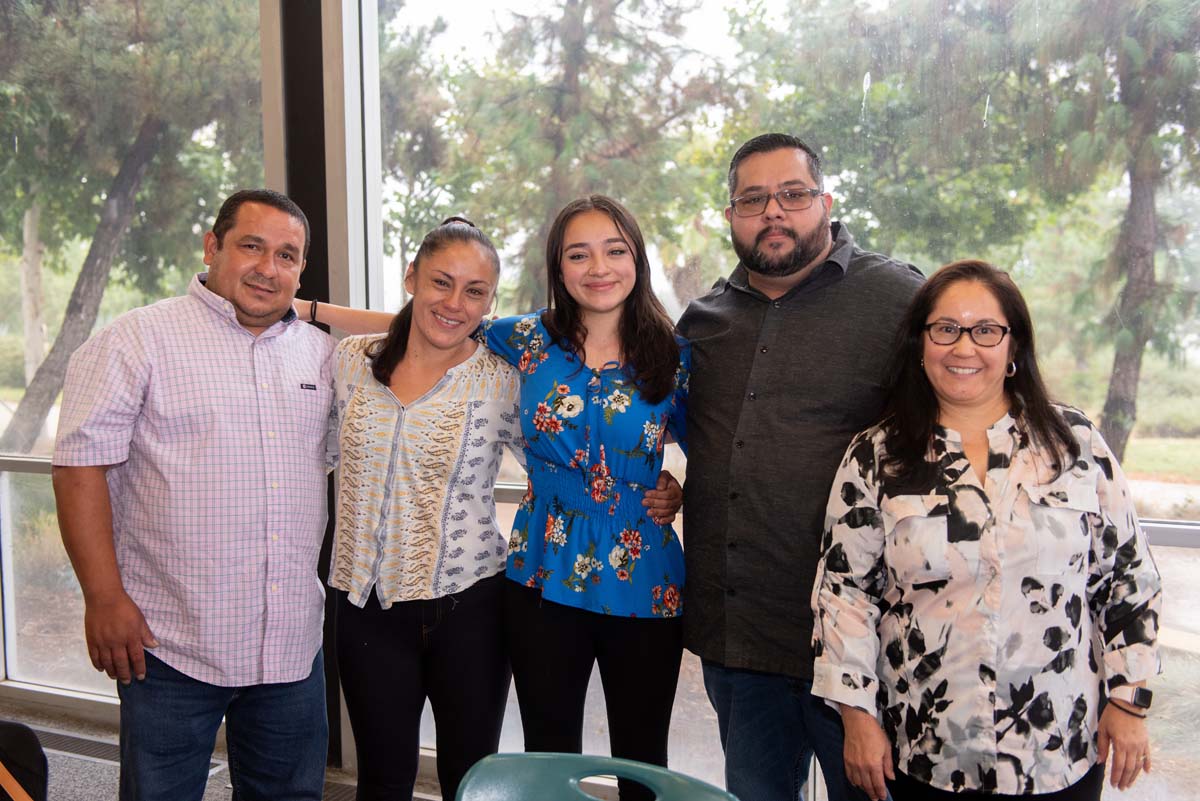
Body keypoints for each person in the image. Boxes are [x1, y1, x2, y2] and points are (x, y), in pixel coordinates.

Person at [302, 197, 685, 801]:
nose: (598, 266)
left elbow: (719, 447)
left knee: (642, 760)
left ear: (637, 257)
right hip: (539, 574)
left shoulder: (674, 355)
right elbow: (433, 322)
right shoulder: (529, 344)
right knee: (546, 757)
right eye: (577, 253)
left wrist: (677, 485)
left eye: (615, 250)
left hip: (639, 573)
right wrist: (304, 308)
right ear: (558, 269)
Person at [811, 260, 1162, 801]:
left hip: (1058, 749)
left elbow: (1127, 579)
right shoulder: (878, 454)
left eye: (986, 330)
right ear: (921, 344)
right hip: (925, 752)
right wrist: (856, 717)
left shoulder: (1075, 445)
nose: (964, 347)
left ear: (1013, 346)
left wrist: (1128, 700)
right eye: (946, 329)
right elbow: (845, 595)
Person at [52, 189, 333, 801]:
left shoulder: (322, 354)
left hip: (289, 647)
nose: (268, 267)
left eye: (287, 255)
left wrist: (310, 313)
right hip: (169, 643)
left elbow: (421, 327)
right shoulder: (135, 341)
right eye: (251, 246)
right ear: (212, 247)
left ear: (301, 270)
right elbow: (78, 469)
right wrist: (102, 597)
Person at [675, 132, 925, 801]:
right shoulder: (702, 319)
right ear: (729, 215)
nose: (773, 213)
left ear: (826, 201)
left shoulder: (896, 299)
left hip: (858, 642)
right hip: (741, 635)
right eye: (752, 200)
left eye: (793, 194)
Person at [324, 217, 521, 801]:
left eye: (475, 291)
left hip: (473, 611)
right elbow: (304, 453)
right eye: (441, 282)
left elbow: (561, 461)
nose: (455, 303)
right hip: (366, 609)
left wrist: (660, 484)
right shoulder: (349, 362)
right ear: (411, 277)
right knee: (382, 781)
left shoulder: (505, 381)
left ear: (490, 301)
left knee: (469, 781)